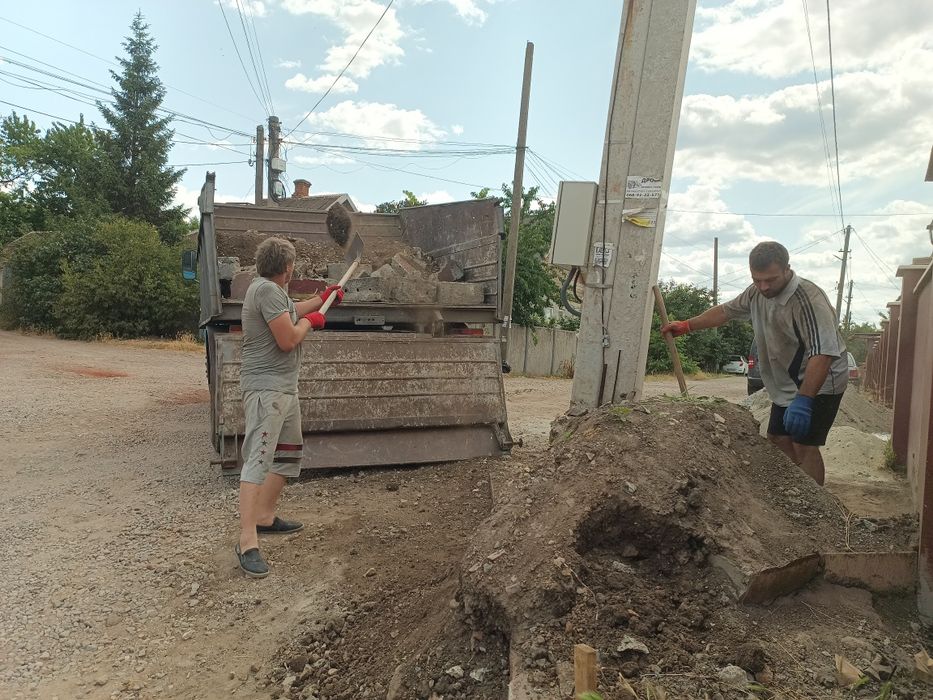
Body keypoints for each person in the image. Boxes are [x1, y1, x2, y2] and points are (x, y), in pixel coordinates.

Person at [661, 241, 847, 486]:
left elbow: (823, 353)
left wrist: (805, 400)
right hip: (786, 382)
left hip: (820, 380)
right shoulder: (755, 292)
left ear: (787, 269)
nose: (763, 286)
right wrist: (687, 325)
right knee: (778, 438)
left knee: (804, 443)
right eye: (757, 279)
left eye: (770, 280)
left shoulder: (809, 299)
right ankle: (794, 491)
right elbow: (725, 312)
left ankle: (814, 505)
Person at [235, 237, 344, 578]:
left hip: (283, 389)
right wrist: (314, 323)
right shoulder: (266, 291)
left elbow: (291, 312)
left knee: (288, 454)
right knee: (259, 458)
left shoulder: (270, 290)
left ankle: (264, 517)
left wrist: (321, 300)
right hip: (266, 390)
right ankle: (246, 540)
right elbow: (288, 339)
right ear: (288, 267)